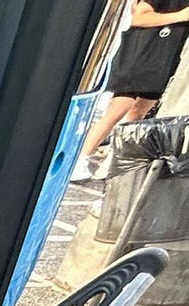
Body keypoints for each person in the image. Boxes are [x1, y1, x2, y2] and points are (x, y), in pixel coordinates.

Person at [76, 0, 189, 178]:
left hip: (165, 58)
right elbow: (139, 17)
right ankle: (81, 157)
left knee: (138, 115)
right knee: (118, 109)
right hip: (142, 52)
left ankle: (112, 161)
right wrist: (180, 16)